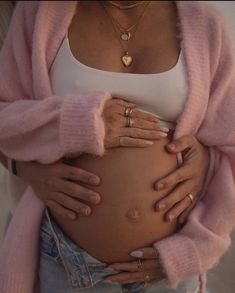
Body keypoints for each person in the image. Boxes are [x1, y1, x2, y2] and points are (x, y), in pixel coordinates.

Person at [0, 1, 235, 293]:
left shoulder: (205, 24)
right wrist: (77, 124)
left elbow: (229, 144)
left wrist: (207, 162)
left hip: (166, 271)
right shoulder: (41, 13)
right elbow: (5, 116)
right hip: (68, 261)